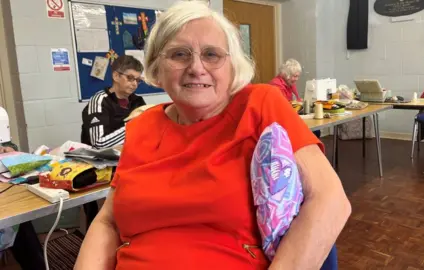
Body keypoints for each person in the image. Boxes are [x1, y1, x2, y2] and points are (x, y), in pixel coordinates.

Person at [75, 2, 351, 270]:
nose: (196, 67)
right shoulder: (142, 126)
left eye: (211, 54)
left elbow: (330, 199)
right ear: (157, 68)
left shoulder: (259, 104)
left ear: (233, 67)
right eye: (180, 54)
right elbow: (108, 222)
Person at [80, 55, 146, 227]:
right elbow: (99, 143)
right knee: (105, 218)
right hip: (100, 166)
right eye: (130, 78)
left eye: (138, 80)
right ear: (116, 76)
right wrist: (133, 126)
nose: (134, 84)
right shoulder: (99, 100)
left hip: (128, 163)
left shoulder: (137, 101)